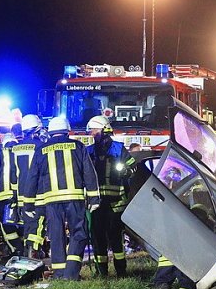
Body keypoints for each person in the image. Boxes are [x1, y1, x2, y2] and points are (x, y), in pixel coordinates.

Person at [21, 115, 100, 280]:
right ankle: (71, 273)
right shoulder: (78, 146)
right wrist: (93, 198)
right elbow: (89, 172)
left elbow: (32, 178)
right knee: (79, 233)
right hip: (75, 198)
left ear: (50, 132)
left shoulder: (41, 149)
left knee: (56, 235)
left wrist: (28, 205)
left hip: (51, 201)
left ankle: (59, 273)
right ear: (67, 131)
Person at [86, 115, 136, 277]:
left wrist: (125, 171)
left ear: (104, 129)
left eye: (94, 130)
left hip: (116, 203)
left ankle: (121, 271)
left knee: (115, 238)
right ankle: (102, 272)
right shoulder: (89, 151)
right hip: (97, 203)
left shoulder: (118, 148)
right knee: (98, 238)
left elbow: (133, 167)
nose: (91, 133)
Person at [12, 114, 46, 257]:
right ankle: (34, 252)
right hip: (37, 194)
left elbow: (14, 174)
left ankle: (29, 251)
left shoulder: (15, 148)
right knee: (38, 225)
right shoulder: (41, 147)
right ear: (35, 130)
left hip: (21, 195)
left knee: (28, 226)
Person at [0, 133, 21, 255]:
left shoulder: (0, 154)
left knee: (7, 226)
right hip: (23, 197)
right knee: (21, 224)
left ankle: (16, 250)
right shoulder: (22, 152)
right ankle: (27, 249)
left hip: (4, 197)